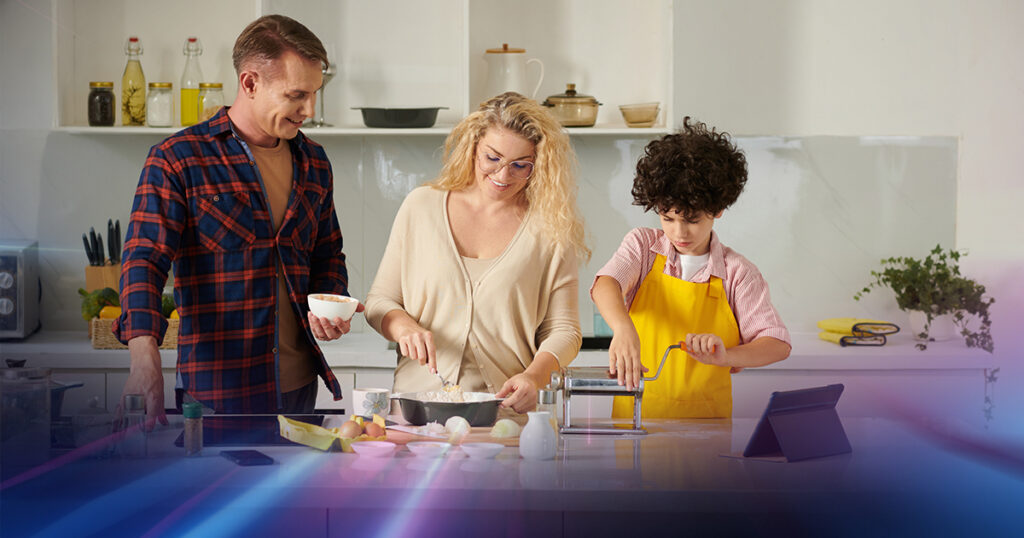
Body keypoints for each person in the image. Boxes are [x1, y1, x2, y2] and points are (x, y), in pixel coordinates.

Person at [113, 15, 361, 424]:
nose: (310, 110)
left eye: (316, 94)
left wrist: (329, 302)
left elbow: (327, 252)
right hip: (218, 394)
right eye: (297, 95)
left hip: (301, 389)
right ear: (249, 83)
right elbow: (143, 262)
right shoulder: (179, 159)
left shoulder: (314, 160)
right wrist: (144, 361)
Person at [364, 92, 589, 413]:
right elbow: (378, 301)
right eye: (492, 158)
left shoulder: (552, 227)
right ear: (472, 147)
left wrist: (534, 377)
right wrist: (403, 327)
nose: (502, 176)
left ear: (539, 165)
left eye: (520, 165)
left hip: (505, 412)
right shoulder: (421, 207)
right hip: (418, 408)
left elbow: (564, 330)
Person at [591, 117, 791, 419]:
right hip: (636, 421)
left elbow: (776, 343)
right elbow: (606, 284)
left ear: (719, 209)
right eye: (668, 218)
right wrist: (623, 328)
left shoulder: (738, 272)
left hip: (707, 431)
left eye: (692, 220)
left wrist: (727, 355)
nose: (679, 233)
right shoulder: (643, 247)